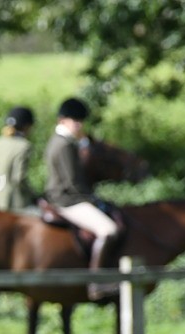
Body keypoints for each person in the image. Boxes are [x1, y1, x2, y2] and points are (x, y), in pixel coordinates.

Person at [44, 97, 121, 301]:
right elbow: (72, 183)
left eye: (80, 121)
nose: (79, 125)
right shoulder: (64, 144)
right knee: (109, 230)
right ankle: (96, 282)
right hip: (67, 200)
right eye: (74, 120)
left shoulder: (62, 141)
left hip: (66, 196)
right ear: (63, 120)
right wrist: (94, 201)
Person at [0, 106, 38, 212]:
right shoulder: (24, 146)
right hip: (9, 203)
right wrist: (34, 196)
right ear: (27, 126)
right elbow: (19, 179)